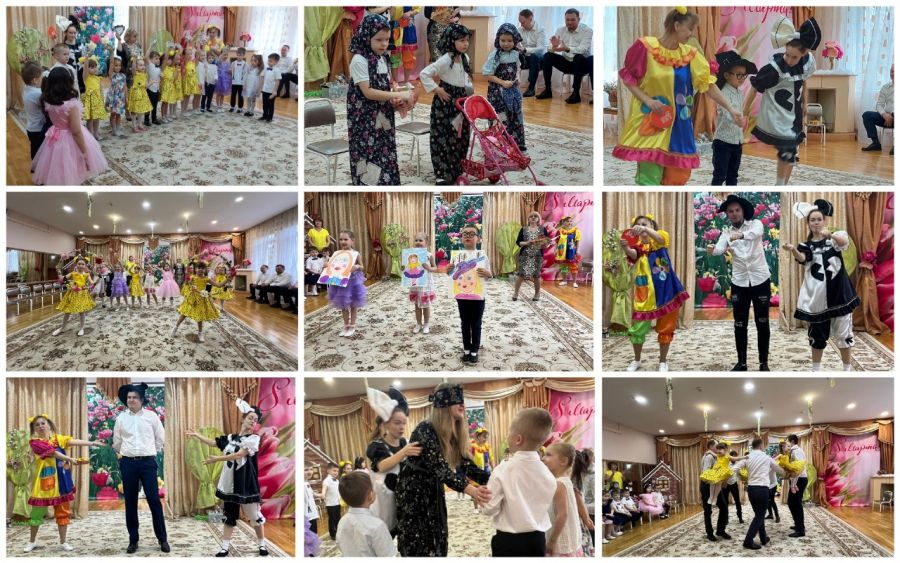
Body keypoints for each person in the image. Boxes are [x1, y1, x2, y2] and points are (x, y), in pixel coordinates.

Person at [613, 8, 745, 185]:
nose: (691, 34)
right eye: (690, 29)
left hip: (679, 125)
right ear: (676, 26)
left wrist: (731, 109)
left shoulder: (690, 55)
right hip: (652, 122)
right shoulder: (645, 47)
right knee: (649, 177)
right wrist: (648, 101)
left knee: (678, 177)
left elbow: (708, 85)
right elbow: (629, 79)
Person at [396, 383, 491, 556]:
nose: (462, 404)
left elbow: (465, 464)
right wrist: (472, 490)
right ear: (443, 404)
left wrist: (494, 479)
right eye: (457, 401)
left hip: (433, 488)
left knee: (438, 536)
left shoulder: (452, 431)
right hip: (414, 492)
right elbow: (440, 469)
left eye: (462, 401)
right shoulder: (425, 429)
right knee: (419, 541)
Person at [782, 199, 860, 371]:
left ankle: (847, 370)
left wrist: (830, 235)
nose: (816, 222)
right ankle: (815, 370)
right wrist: (793, 249)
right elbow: (803, 259)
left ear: (824, 221)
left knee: (844, 335)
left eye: (819, 219)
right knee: (817, 336)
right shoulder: (806, 245)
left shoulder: (835, 238)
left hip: (839, 294)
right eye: (813, 220)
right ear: (808, 224)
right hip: (816, 298)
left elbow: (843, 242)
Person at [187, 400, 268, 556]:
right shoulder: (231, 438)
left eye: (256, 420)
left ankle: (262, 544)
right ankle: (225, 547)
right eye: (250, 417)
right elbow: (214, 443)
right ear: (243, 418)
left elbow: (239, 454)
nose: (253, 421)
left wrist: (217, 459)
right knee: (229, 515)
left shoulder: (254, 439)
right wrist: (197, 435)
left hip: (245, 483)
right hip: (229, 483)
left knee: (254, 515)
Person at [750, 17, 822, 185]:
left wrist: (805, 102)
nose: (789, 60)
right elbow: (756, 87)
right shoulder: (774, 68)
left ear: (804, 54)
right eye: (787, 55)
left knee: (791, 152)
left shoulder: (805, 64)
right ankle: (779, 184)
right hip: (777, 115)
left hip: (794, 113)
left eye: (794, 57)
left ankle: (783, 184)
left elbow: (804, 81)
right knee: (787, 150)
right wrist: (743, 111)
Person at [707, 195, 772, 371]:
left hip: (760, 280)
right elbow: (719, 249)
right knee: (740, 323)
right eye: (730, 211)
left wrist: (741, 235)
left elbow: (756, 233)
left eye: (737, 210)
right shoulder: (726, 233)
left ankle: (763, 363)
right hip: (739, 282)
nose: (734, 213)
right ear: (727, 214)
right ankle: (742, 363)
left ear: (743, 211)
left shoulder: (755, 224)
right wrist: (713, 250)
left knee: (762, 322)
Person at [480, 408, 557, 556]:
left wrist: (481, 499)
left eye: (509, 432)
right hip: (538, 541)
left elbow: (489, 509)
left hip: (508, 542)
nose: (507, 436)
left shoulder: (503, 470)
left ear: (518, 439)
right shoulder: (549, 474)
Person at [23, 414, 103, 553]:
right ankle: (32, 541)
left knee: (63, 513)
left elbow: (72, 441)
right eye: (37, 425)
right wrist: (70, 459)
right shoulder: (35, 443)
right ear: (34, 429)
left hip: (62, 482)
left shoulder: (58, 439)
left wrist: (92, 443)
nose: (41, 426)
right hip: (44, 485)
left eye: (43, 423)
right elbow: (53, 453)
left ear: (49, 425)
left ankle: (63, 542)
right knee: (36, 514)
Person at [621, 214, 690, 371]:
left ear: (652, 225)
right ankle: (636, 360)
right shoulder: (637, 246)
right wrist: (625, 247)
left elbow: (659, 238)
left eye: (644, 224)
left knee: (666, 327)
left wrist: (645, 229)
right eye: (638, 225)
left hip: (666, 290)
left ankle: (662, 362)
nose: (641, 227)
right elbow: (633, 255)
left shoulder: (660, 238)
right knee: (638, 328)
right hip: (644, 291)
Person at [347, 15, 409, 186]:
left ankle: (387, 185)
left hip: (383, 117)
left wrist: (395, 101)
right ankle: (367, 187)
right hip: (364, 119)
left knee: (385, 150)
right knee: (367, 153)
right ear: (367, 37)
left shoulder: (383, 58)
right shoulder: (359, 60)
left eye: (387, 39)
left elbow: (384, 89)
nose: (384, 44)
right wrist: (396, 95)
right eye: (379, 40)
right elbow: (368, 92)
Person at [112, 383, 168, 554]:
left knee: (153, 500)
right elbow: (117, 442)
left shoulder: (151, 416)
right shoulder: (121, 418)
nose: (131, 400)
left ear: (141, 400)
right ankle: (133, 540)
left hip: (148, 463)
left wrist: (148, 452)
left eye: (134, 397)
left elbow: (160, 439)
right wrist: (126, 454)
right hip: (128, 463)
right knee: (130, 502)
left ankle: (162, 539)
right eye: (129, 397)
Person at [420, 24, 473, 185]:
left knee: (460, 135)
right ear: (451, 40)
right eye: (461, 40)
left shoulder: (465, 58)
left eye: (467, 40)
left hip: (461, 101)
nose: (465, 44)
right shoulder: (445, 59)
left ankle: (456, 168)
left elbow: (464, 79)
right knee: (443, 137)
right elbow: (424, 74)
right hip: (445, 103)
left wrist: (470, 93)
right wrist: (438, 90)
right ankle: (442, 173)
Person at [366, 386, 421, 536]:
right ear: (385, 424)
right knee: (385, 538)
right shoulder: (376, 446)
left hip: (405, 502)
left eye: (404, 423)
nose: (401, 427)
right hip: (384, 506)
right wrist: (404, 452)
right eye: (397, 423)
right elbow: (382, 466)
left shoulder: (404, 442)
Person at [728, 438, 785, 550]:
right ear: (761, 445)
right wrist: (789, 473)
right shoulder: (766, 457)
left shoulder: (747, 457)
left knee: (759, 515)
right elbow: (780, 470)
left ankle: (763, 538)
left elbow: (733, 468)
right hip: (762, 489)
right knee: (760, 516)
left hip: (751, 490)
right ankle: (748, 540)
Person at [449, 226, 493, 364]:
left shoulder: (482, 256)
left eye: (472, 233)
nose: (468, 235)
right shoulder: (457, 256)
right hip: (462, 296)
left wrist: (489, 274)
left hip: (478, 296)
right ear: (461, 239)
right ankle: (466, 349)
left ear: (478, 239)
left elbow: (489, 275)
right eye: (465, 234)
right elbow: (452, 276)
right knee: (465, 322)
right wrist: (449, 270)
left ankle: (474, 351)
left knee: (476, 323)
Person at [711, 51, 756, 185]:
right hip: (723, 142)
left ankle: (732, 191)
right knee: (719, 175)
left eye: (744, 75)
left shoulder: (740, 93)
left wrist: (743, 118)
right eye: (738, 75)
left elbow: (740, 112)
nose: (742, 78)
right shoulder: (722, 92)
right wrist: (736, 119)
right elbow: (725, 111)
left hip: (737, 142)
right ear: (726, 75)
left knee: (733, 174)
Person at [483, 23, 526, 151]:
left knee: (515, 115)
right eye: (503, 40)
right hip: (497, 92)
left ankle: (516, 144)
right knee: (501, 116)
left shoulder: (516, 54)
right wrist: (502, 82)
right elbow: (487, 75)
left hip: (512, 91)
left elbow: (517, 69)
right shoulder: (495, 55)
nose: (506, 44)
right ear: (498, 40)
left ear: (515, 41)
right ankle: (499, 143)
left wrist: (517, 78)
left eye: (509, 41)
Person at [535, 9, 592, 104]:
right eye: (567, 20)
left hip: (581, 65)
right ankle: (548, 90)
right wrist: (554, 47)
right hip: (567, 63)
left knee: (578, 57)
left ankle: (576, 93)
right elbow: (550, 47)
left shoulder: (587, 30)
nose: (569, 22)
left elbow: (583, 49)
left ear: (579, 19)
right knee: (547, 56)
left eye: (573, 20)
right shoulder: (560, 30)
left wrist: (567, 49)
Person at [335, 471, 397, 556]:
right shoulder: (377, 525)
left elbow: (339, 544)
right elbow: (388, 555)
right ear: (370, 495)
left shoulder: (342, 521)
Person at [544, 442, 582, 556]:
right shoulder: (565, 480)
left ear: (563, 461)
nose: (543, 458)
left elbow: (562, 514)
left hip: (560, 540)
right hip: (569, 537)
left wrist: (552, 541)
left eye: (548, 455)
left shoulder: (559, 483)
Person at [171, 260, 220, 343]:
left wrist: (229, 278)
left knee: (200, 316)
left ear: (205, 270)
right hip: (192, 298)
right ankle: (175, 328)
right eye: (198, 268)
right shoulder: (193, 277)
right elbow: (188, 284)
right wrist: (187, 281)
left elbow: (218, 285)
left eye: (202, 268)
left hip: (202, 299)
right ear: (195, 269)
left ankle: (200, 333)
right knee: (184, 314)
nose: (200, 269)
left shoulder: (207, 279)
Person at [51, 257, 97, 337]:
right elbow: (63, 280)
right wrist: (71, 286)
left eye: (83, 264)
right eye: (79, 264)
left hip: (82, 295)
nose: (81, 265)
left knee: (82, 312)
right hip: (72, 294)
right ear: (76, 264)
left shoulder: (87, 274)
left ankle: (82, 328)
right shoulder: (72, 273)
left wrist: (89, 286)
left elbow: (92, 284)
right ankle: (62, 328)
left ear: (85, 266)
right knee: (67, 311)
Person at [513, 212, 551, 301]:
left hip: (537, 256)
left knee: (536, 275)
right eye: (531, 216)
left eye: (535, 216)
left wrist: (545, 245)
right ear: (528, 219)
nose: (533, 218)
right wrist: (526, 243)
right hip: (525, 255)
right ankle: (516, 293)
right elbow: (518, 242)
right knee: (521, 274)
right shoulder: (524, 229)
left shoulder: (543, 229)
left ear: (538, 219)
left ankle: (537, 294)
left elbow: (547, 242)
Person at [699, 440, 729, 542]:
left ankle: (720, 530)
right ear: (711, 446)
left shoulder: (714, 456)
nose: (719, 449)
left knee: (724, 507)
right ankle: (709, 533)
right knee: (708, 511)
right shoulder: (709, 457)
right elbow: (705, 472)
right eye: (717, 446)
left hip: (714, 485)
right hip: (707, 486)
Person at [861, 64, 894, 155]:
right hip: (886, 118)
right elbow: (879, 104)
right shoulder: (885, 87)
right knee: (867, 115)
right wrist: (884, 115)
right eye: (891, 71)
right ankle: (876, 143)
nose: (892, 74)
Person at [408, 232, 437, 333]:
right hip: (415, 283)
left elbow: (435, 267)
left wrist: (429, 268)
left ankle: (426, 324)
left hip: (426, 284)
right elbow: (408, 268)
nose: (418, 242)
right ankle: (418, 323)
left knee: (426, 304)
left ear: (426, 242)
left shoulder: (429, 255)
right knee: (417, 304)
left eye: (420, 240)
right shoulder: (411, 255)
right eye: (416, 240)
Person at [22, 62, 48, 161]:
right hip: (39, 128)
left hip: (31, 128)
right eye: (41, 77)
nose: (43, 79)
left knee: (35, 150)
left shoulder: (26, 89)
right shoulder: (37, 94)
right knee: (41, 153)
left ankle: (34, 166)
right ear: (35, 80)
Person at [518, 9, 547, 97]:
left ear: (530, 19)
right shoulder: (520, 30)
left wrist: (525, 50)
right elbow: (517, 44)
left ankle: (531, 88)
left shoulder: (541, 30)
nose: (521, 25)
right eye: (520, 22)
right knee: (511, 55)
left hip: (539, 60)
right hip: (525, 58)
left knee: (535, 56)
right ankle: (508, 83)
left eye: (523, 22)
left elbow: (540, 49)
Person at [555, 215, 581, 287]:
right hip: (562, 251)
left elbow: (577, 241)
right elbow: (557, 241)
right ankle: (564, 281)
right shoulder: (559, 231)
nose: (569, 223)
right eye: (568, 221)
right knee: (563, 266)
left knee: (573, 266)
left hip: (571, 250)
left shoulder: (575, 230)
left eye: (570, 221)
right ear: (564, 222)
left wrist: (577, 250)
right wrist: (555, 249)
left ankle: (574, 282)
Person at [259, 53, 282, 122]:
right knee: (264, 104)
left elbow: (277, 82)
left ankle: (270, 117)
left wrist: (275, 91)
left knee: (270, 105)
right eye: (268, 60)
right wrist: (260, 87)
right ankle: (265, 115)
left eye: (271, 61)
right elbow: (262, 77)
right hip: (265, 90)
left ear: (276, 62)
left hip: (271, 91)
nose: (269, 62)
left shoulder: (277, 70)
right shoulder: (266, 69)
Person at [724, 451, 744, 524]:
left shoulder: (738, 464)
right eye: (734, 457)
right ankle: (726, 518)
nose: (735, 458)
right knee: (725, 502)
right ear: (731, 456)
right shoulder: (726, 463)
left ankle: (740, 517)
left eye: (736, 457)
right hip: (726, 484)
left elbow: (740, 474)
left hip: (734, 484)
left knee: (737, 501)